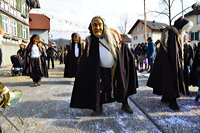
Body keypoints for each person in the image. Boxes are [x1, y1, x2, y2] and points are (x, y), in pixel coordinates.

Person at [70, 16, 138, 115]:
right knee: (99, 88)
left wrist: (128, 61)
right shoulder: (90, 41)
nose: (97, 27)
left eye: (99, 24)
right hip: (100, 69)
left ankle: (125, 103)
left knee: (121, 85)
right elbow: (87, 58)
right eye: (94, 25)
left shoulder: (114, 37)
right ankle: (98, 106)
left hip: (115, 68)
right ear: (91, 27)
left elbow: (124, 51)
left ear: (104, 25)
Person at [147, 18, 193, 110]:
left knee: (167, 81)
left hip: (166, 61)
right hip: (169, 62)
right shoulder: (173, 34)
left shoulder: (174, 34)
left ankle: (165, 98)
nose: (187, 31)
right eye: (187, 28)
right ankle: (172, 101)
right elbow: (173, 52)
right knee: (171, 81)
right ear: (182, 27)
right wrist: (176, 66)